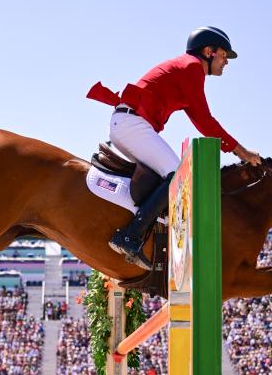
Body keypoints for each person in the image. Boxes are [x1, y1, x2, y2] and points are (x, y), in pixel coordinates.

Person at [87, 26, 262, 269]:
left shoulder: (187, 68)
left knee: (167, 177)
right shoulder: (191, 68)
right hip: (132, 124)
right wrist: (242, 151)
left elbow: (201, 121)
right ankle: (130, 236)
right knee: (177, 176)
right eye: (224, 55)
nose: (226, 62)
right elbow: (205, 121)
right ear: (208, 51)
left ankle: (144, 232)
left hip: (127, 123)